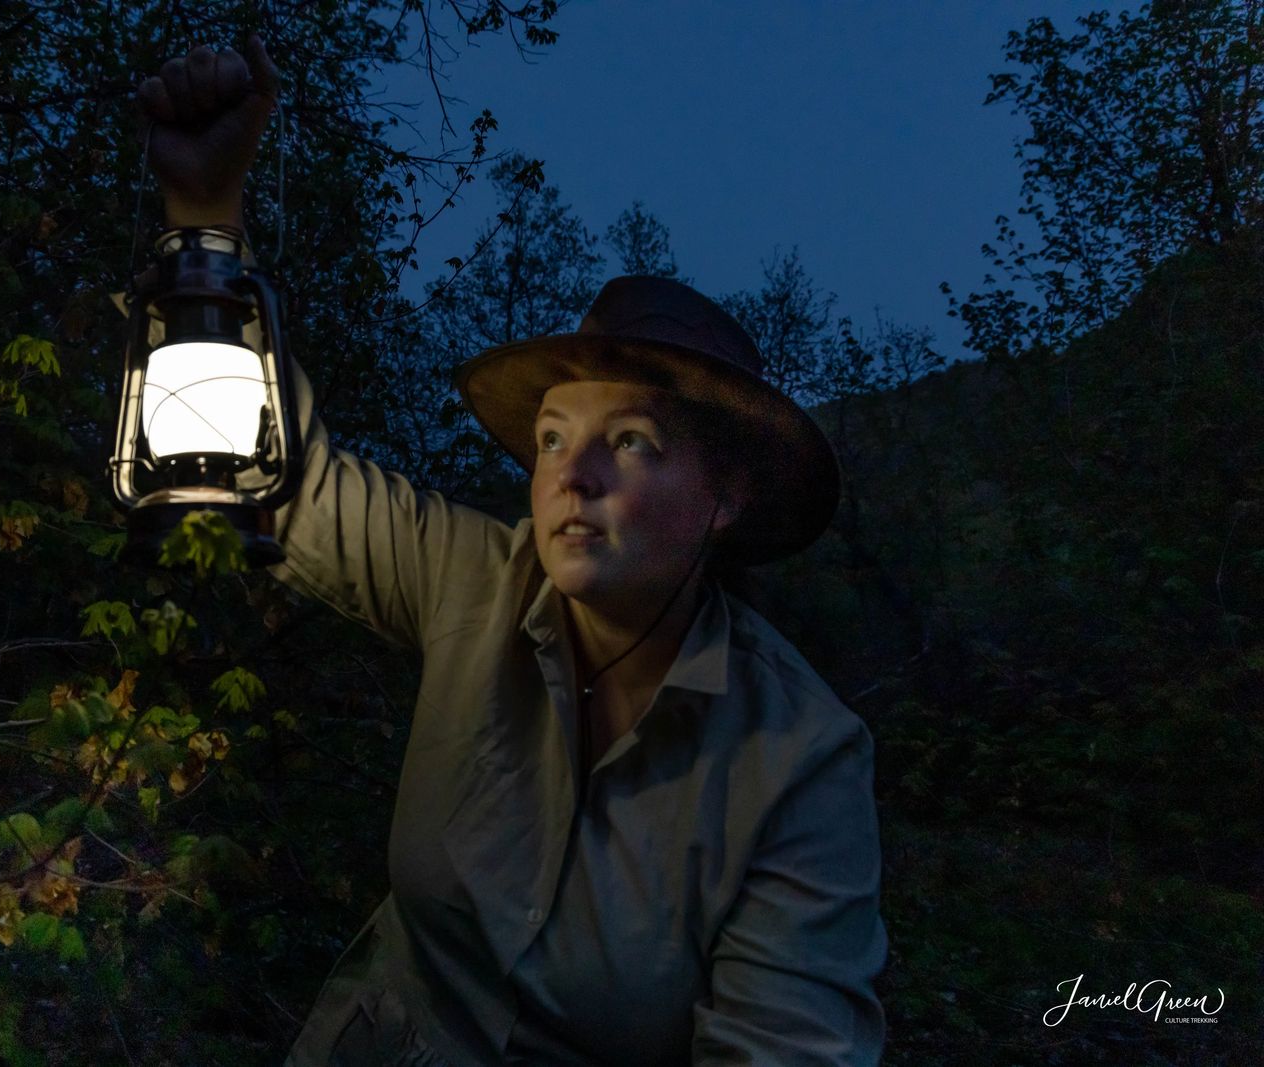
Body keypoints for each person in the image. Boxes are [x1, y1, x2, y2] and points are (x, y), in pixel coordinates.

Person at [138, 35, 888, 1067]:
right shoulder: (466, 579)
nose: (570, 476)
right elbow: (252, 472)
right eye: (550, 438)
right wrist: (205, 221)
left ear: (724, 496)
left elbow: (786, 1044)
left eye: (628, 441)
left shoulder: (799, 758)